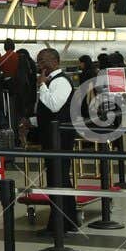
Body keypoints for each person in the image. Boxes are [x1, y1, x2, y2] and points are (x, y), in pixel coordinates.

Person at [34, 48, 80, 235]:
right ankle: (67, 221)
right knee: (58, 178)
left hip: (59, 138)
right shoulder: (51, 80)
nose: (39, 64)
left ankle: (59, 225)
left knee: (58, 179)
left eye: (43, 60)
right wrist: (31, 122)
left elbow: (54, 105)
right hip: (52, 136)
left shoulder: (60, 81)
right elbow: (48, 111)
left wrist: (41, 86)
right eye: (38, 61)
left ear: (55, 61)